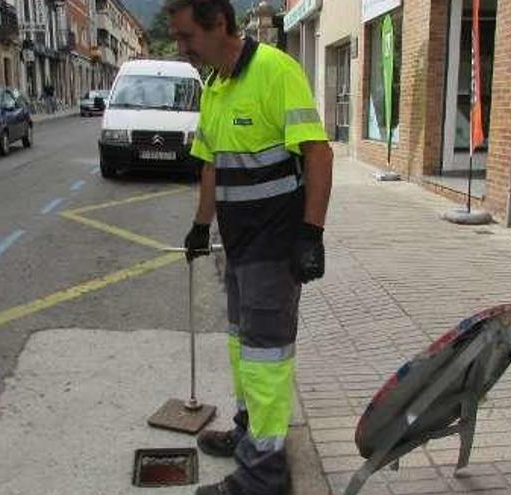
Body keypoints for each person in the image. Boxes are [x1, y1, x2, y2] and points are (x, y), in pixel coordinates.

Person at [167, 1, 333, 494]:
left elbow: (317, 152)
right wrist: (201, 227)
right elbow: (210, 165)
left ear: (219, 24)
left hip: (275, 245)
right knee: (244, 350)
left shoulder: (275, 71)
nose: (181, 48)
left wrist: (312, 233)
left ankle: (264, 476)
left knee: (266, 360)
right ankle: (249, 435)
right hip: (237, 247)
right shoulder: (215, 85)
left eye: (186, 37)